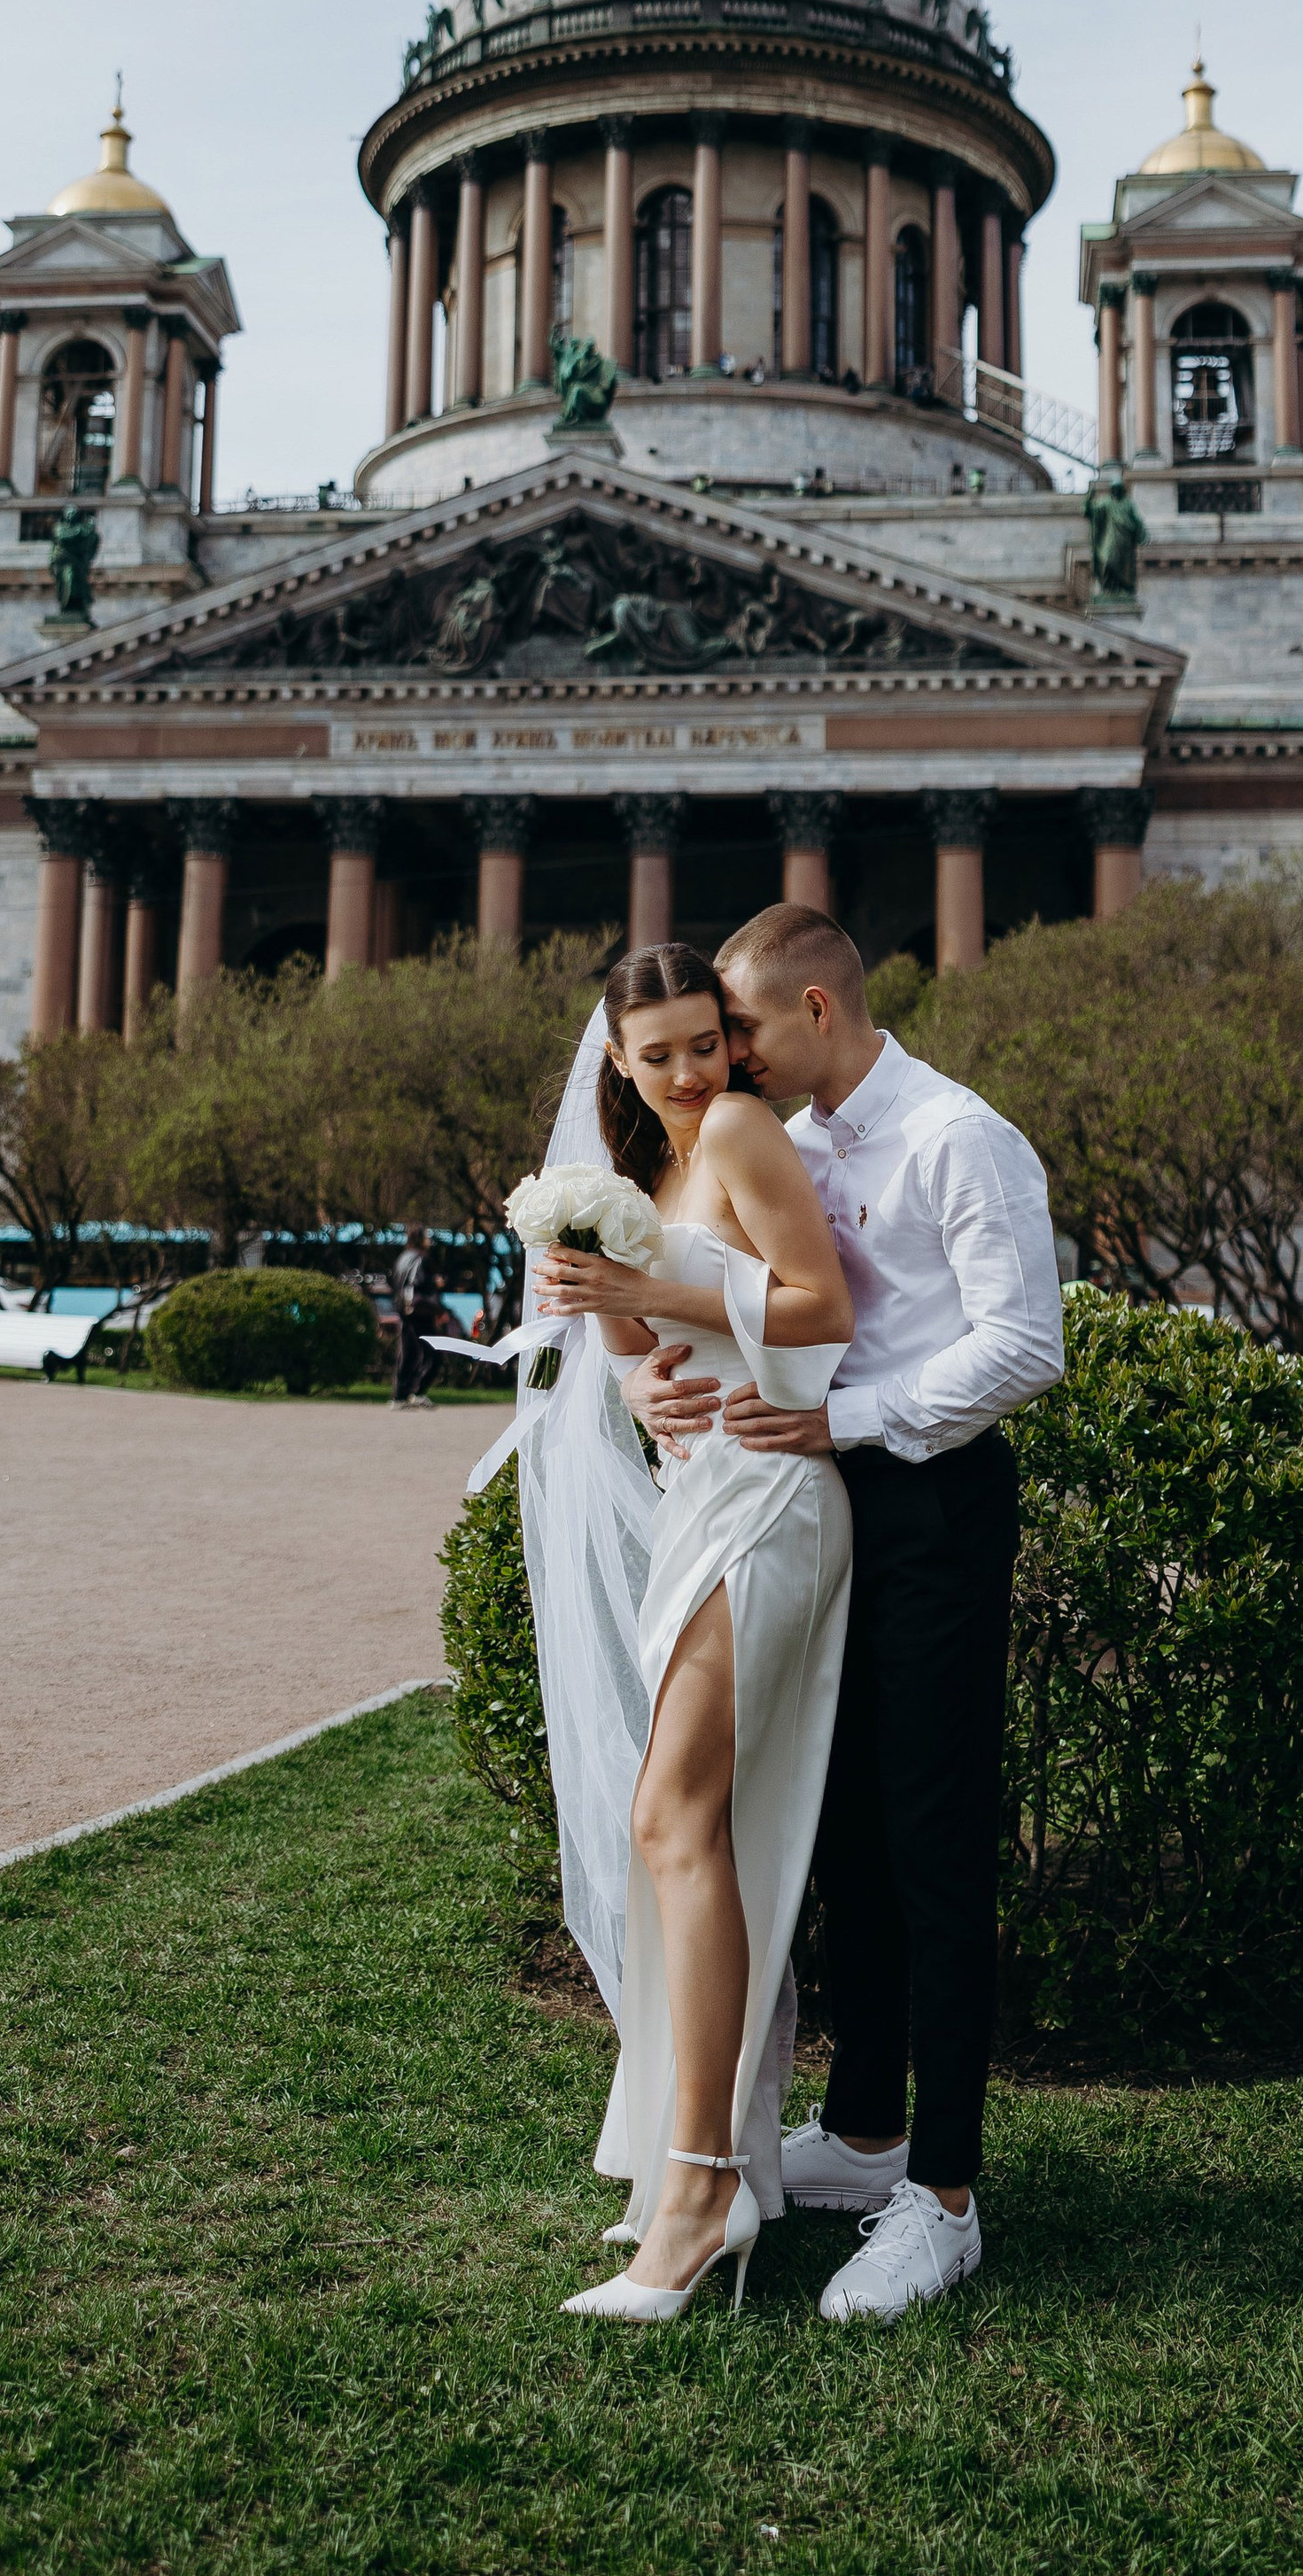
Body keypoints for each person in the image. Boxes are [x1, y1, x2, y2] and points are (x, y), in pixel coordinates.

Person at [624, 906, 1064, 2324]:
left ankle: (942, 2196)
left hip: (931, 1502)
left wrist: (853, 1424)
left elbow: (1023, 1345)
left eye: (740, 1027)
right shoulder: (791, 1139)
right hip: (815, 1505)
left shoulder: (959, 1137)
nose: (723, 1057)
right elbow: (734, 1296)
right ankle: (866, 2121)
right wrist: (653, 1378)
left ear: (818, 1007)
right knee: (847, 1831)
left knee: (934, 1843)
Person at [531, 943, 857, 2324]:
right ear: (614, 1056)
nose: (687, 1072)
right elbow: (652, 1374)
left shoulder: (736, 1130)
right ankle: (714, 2161)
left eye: (703, 1043)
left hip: (775, 1496)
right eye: (655, 1051)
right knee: (684, 1829)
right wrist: (621, 1355)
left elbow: (820, 1304)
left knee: (674, 1816)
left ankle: (705, 2183)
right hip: (700, 1493)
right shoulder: (641, 1177)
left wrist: (642, 1294)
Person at [391, 1223, 440, 1404]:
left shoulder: (403, 1258)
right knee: (431, 1352)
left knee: (407, 1351)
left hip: (404, 1310)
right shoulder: (421, 1259)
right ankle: (417, 1391)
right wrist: (436, 1305)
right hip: (420, 1310)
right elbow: (417, 1284)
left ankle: (400, 1394)